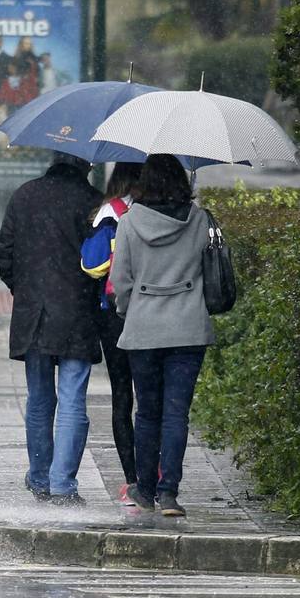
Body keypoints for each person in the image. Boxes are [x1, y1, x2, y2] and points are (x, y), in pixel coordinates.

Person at [109, 153, 215, 518]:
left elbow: (120, 280)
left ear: (144, 181)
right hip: (188, 329)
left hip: (144, 329)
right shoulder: (199, 220)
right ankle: (169, 494)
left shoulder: (129, 222)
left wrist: (129, 310)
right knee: (176, 414)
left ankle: (145, 490)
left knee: (147, 413)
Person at [0, 151, 103, 505]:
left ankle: (40, 477)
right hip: (76, 313)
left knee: (40, 399)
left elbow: (4, 252)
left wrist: (22, 288)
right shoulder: (92, 202)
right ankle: (63, 485)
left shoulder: (24, 195)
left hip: (33, 313)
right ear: (85, 164)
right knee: (73, 400)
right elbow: (101, 260)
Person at [79, 162, 144, 506]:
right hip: (149, 312)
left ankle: (131, 480)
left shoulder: (109, 212)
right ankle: (157, 474)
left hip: (114, 315)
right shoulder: (155, 210)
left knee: (123, 395)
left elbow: (92, 265)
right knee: (152, 396)